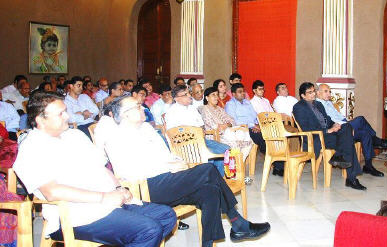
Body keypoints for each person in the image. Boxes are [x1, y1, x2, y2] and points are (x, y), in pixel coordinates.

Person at [103, 95, 270, 247]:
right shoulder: (117, 137)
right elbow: (131, 172)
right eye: (137, 106)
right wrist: (168, 166)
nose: (142, 108)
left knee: (210, 190)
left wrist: (176, 162)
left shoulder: (147, 128)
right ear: (125, 114)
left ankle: (209, 243)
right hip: (147, 188)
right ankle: (238, 223)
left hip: (167, 179)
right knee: (208, 170)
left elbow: (166, 155)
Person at [13, 92, 175, 246]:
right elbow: (52, 191)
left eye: (66, 112)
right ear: (41, 120)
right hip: (77, 214)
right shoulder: (32, 147)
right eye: (60, 114)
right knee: (148, 229)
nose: (68, 117)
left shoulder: (74, 135)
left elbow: (101, 167)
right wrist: (104, 197)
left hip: (109, 201)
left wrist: (119, 187)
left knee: (166, 215)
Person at [293, 82, 367, 190]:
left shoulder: (318, 104)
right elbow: (306, 129)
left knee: (346, 127)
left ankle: (339, 155)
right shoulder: (299, 107)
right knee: (348, 142)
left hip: (328, 134)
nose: (313, 94)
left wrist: (335, 124)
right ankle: (351, 179)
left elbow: (328, 119)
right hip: (316, 138)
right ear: (303, 95)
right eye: (310, 93)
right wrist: (328, 130)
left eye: (313, 91)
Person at [316, 84, 384, 177]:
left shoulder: (329, 103)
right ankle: (376, 140)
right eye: (326, 91)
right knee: (360, 119)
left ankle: (368, 166)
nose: (329, 94)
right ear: (318, 93)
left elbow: (339, 116)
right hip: (340, 129)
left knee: (365, 134)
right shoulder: (318, 105)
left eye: (330, 91)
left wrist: (347, 121)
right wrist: (345, 124)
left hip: (344, 124)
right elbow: (330, 122)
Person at [164, 85, 229, 175]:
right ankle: (207, 182)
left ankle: (218, 179)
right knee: (210, 155)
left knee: (226, 150)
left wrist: (201, 131)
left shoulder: (192, 108)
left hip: (201, 139)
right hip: (186, 144)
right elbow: (173, 134)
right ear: (176, 98)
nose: (189, 96)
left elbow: (201, 125)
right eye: (185, 94)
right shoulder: (171, 112)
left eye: (189, 93)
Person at [226, 83, 284, 176]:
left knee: (274, 135)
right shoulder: (230, 104)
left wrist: (259, 125)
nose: (243, 94)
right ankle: (279, 166)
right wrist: (252, 125)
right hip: (242, 129)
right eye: (239, 92)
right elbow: (234, 121)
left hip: (254, 126)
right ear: (233, 94)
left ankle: (278, 164)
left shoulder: (247, 102)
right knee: (263, 139)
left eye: (243, 91)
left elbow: (255, 115)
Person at [199, 87, 254, 161]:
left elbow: (232, 121)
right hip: (215, 136)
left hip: (227, 133)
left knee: (249, 141)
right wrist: (224, 126)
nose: (216, 97)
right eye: (213, 95)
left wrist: (226, 125)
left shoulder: (220, 109)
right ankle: (235, 165)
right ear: (207, 97)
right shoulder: (205, 109)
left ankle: (238, 164)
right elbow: (213, 125)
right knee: (235, 144)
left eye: (217, 95)